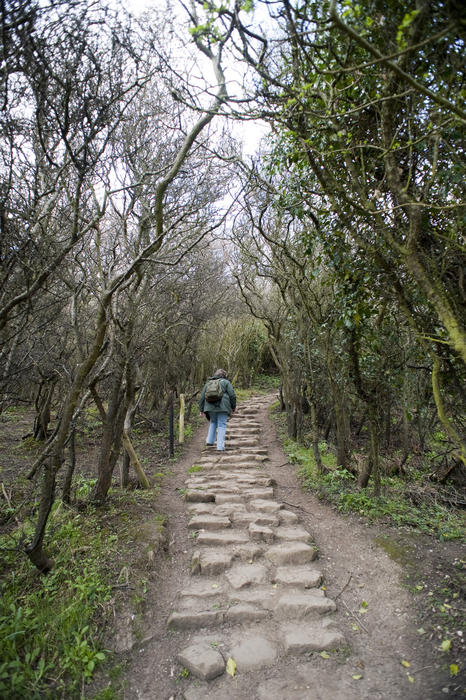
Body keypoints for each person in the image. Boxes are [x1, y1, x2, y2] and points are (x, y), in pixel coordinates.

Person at [199, 369, 236, 451]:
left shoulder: (208, 383)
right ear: (224, 375)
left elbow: (202, 397)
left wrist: (201, 409)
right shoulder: (226, 382)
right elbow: (232, 395)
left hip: (210, 407)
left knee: (213, 422)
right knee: (221, 425)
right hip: (223, 407)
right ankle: (220, 447)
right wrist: (233, 407)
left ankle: (209, 441)